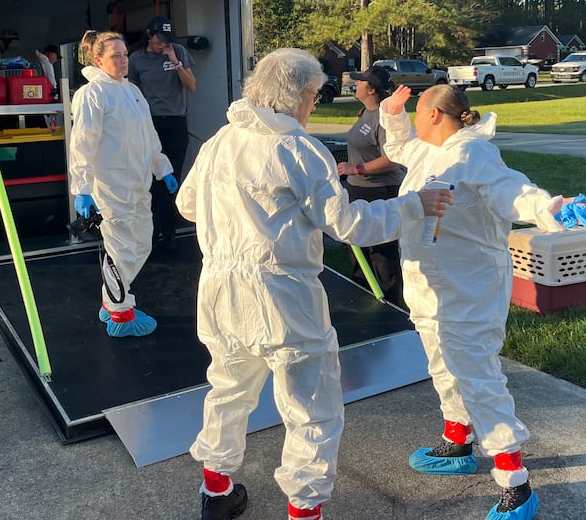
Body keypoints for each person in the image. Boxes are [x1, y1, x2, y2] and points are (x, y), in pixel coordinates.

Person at [176, 48, 453, 520]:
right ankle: (304, 510)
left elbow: (186, 205)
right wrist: (415, 206)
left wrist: (236, 225)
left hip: (219, 289)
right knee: (310, 405)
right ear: (297, 94)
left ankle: (216, 492)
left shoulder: (220, 141)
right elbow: (349, 226)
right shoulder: (298, 150)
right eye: (314, 95)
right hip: (283, 294)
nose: (315, 105)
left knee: (228, 387)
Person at [380, 84, 566, 520]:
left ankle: (515, 482)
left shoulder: (474, 155)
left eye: (414, 110)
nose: (411, 118)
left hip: (469, 289)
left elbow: (513, 190)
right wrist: (392, 113)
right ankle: (456, 440)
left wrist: (549, 208)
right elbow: (400, 145)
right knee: (442, 365)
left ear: (433, 116)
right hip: (431, 286)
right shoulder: (432, 150)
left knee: (478, 378)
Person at [69, 30, 177, 337]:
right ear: (98, 59)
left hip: (137, 185)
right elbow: (83, 144)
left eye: (125, 54)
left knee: (140, 242)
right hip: (112, 188)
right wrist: (83, 188)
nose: (122, 60)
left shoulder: (131, 91)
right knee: (120, 249)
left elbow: (148, 135)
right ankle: (120, 313)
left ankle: (112, 299)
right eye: (115, 55)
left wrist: (161, 167)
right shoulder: (92, 94)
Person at [334, 66, 406, 306]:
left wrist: (356, 169)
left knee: (382, 251)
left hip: (380, 191)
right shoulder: (364, 112)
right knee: (358, 245)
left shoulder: (384, 118)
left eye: (361, 82)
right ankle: (362, 295)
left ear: (372, 89)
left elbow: (393, 159)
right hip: (358, 190)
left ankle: (393, 305)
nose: (356, 84)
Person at [128, 15, 196, 254]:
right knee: (150, 179)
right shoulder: (136, 59)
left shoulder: (177, 51)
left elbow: (192, 86)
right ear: (149, 36)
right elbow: (132, 91)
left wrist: (175, 62)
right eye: (158, 41)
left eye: (166, 41)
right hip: (150, 123)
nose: (162, 46)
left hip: (176, 121)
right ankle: (151, 231)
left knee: (171, 178)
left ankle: (170, 232)